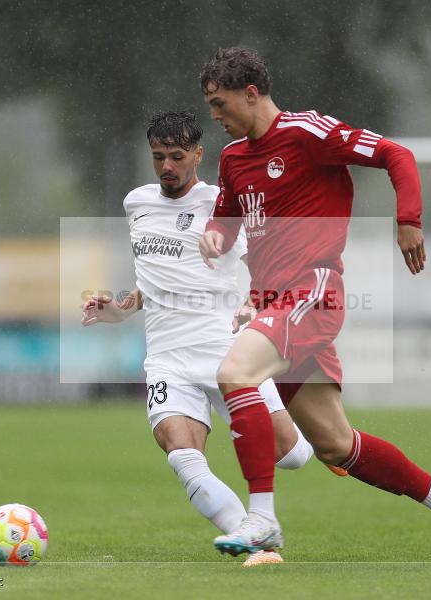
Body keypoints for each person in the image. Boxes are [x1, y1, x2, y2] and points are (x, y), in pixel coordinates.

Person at [198, 47, 431, 564]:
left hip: (312, 291)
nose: (214, 117)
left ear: (251, 93)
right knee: (335, 445)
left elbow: (397, 155)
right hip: (272, 303)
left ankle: (261, 517)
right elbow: (226, 222)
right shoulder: (233, 159)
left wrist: (409, 220)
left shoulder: (308, 133)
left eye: (220, 104)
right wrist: (215, 239)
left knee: (235, 372)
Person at [81, 110, 315, 567]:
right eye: (158, 157)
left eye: (176, 156)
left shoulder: (222, 203)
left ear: (198, 155)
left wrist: (255, 301)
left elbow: (265, 261)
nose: (166, 166)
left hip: (227, 351)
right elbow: (155, 277)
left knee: (293, 456)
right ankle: (256, 541)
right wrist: (121, 309)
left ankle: (323, 436)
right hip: (167, 357)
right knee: (180, 452)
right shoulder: (137, 203)